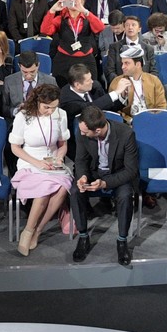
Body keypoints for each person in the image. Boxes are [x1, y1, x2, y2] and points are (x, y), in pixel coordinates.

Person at [68, 105, 139, 266]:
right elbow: (80, 160)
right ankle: (84, 236)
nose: (82, 134)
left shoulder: (126, 134)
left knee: (125, 195)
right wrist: (83, 176)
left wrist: (105, 183)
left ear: (98, 131)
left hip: (117, 174)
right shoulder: (83, 132)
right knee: (75, 190)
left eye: (86, 132)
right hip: (94, 172)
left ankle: (122, 241)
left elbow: (131, 170)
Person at [9, 84, 73, 256]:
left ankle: (38, 230)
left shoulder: (61, 115)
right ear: (37, 102)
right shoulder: (24, 116)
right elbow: (15, 148)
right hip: (30, 161)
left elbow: (62, 145)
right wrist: (37, 163)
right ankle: (28, 231)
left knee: (61, 189)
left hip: (52, 162)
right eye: (46, 107)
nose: (50, 111)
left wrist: (59, 157)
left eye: (54, 107)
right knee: (44, 190)